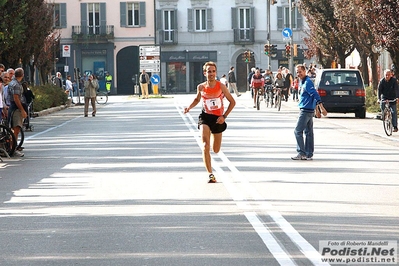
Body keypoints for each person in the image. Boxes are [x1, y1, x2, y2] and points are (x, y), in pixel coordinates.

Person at [184, 61, 236, 183]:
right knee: (205, 146)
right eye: (209, 71)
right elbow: (197, 99)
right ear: (205, 73)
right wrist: (189, 107)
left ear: (215, 73)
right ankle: (210, 174)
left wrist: (224, 116)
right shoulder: (201, 87)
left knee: (216, 149)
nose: (211, 74)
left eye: (213, 71)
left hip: (218, 119)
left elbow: (232, 102)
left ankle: (214, 138)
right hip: (205, 117)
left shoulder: (221, 86)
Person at [292, 64, 325, 160]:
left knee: (297, 131)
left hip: (306, 110)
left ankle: (301, 153)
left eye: (300, 71)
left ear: (305, 71)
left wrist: (320, 107)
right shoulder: (302, 81)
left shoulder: (307, 82)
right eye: (297, 72)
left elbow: (315, 94)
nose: (298, 74)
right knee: (308, 132)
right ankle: (309, 153)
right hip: (309, 110)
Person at [7, 68, 27, 157]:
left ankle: (12, 147)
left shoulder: (13, 83)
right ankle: (13, 148)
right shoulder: (16, 85)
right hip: (16, 109)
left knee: (14, 130)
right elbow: (16, 98)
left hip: (13, 107)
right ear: (22, 75)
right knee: (16, 130)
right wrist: (22, 110)